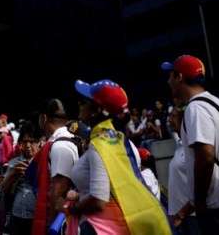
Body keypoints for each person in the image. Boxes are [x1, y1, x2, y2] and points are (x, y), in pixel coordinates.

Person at [56, 79, 173, 234]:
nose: (79, 105)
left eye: (83, 102)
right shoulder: (122, 141)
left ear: (96, 111)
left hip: (104, 228)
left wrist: (69, 207)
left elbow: (99, 200)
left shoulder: (99, 145)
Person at [162, 54, 219, 232]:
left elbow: (205, 157)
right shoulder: (215, 103)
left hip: (216, 208)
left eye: (170, 76)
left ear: (179, 77)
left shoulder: (196, 108)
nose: (168, 82)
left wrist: (199, 201)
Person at [26, 98, 79, 233]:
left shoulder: (60, 145)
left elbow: (59, 188)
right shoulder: (69, 139)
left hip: (61, 223)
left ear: (44, 118)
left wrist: (50, 226)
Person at [166, 102, 200, 234]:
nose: (169, 119)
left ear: (184, 118)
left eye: (173, 116)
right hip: (181, 217)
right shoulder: (180, 145)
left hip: (192, 216)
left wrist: (182, 213)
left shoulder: (192, 145)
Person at [1, 122, 39, 235]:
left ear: (39, 142)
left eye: (31, 141)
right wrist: (13, 174)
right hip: (17, 215)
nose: (27, 145)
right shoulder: (14, 163)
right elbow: (2, 190)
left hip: (37, 217)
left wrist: (33, 174)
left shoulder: (46, 162)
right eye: (24, 141)